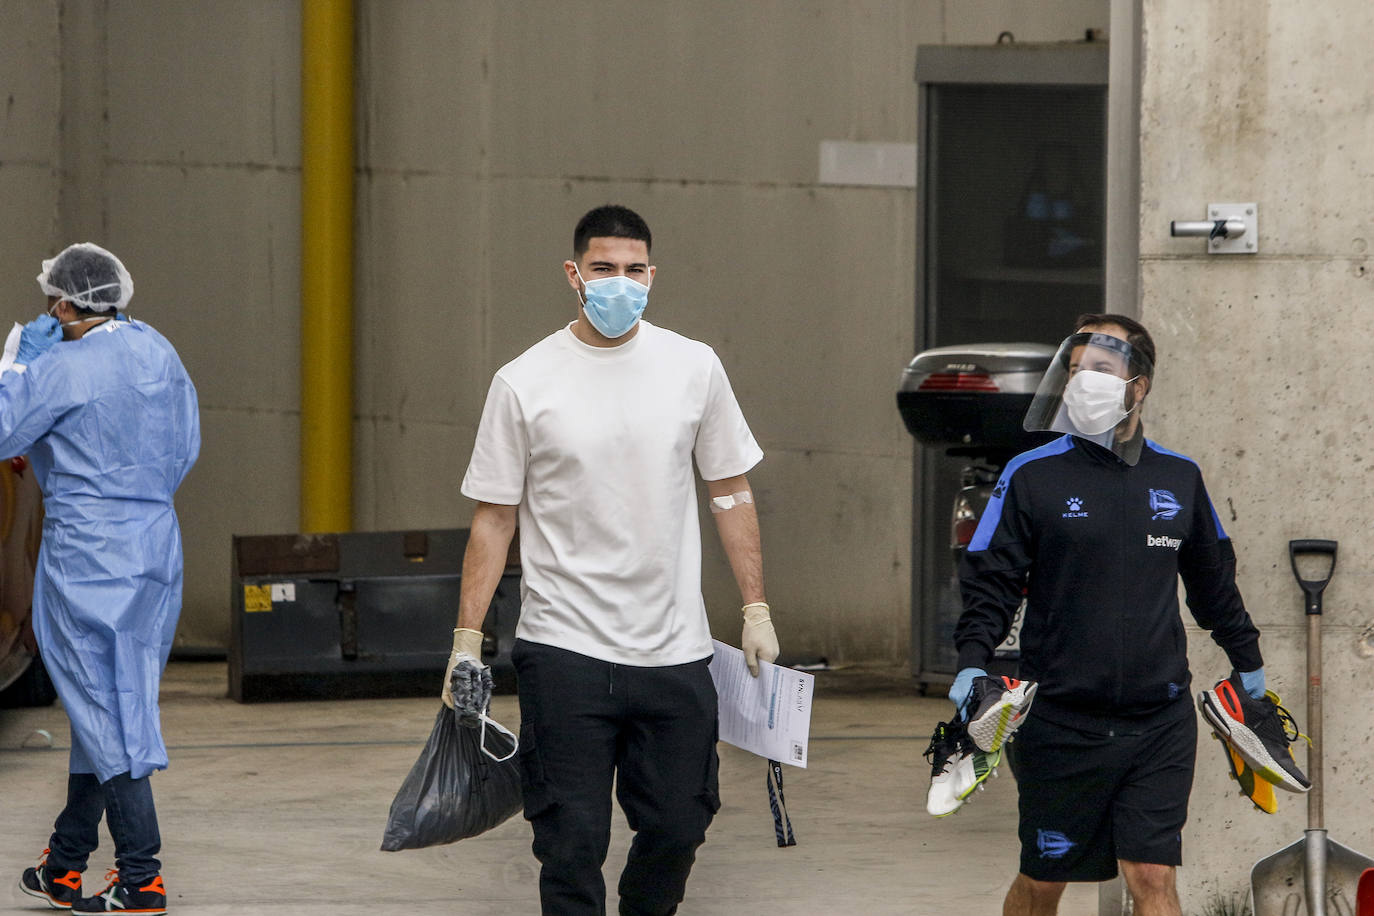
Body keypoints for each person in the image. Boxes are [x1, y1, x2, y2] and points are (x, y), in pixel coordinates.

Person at [441, 205, 777, 915]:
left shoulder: (693, 366)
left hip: (674, 650)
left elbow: (730, 489)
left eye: (632, 270)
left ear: (652, 276)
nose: (618, 282)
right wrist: (466, 639)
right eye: (603, 269)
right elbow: (494, 517)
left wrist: (755, 607)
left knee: (679, 824)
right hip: (565, 649)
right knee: (569, 840)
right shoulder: (525, 381)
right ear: (574, 274)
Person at [949, 314, 1303, 916]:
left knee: (1151, 877)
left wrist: (1251, 671)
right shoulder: (1029, 476)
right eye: (1076, 370)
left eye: (1101, 371)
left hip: (1158, 722)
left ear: (1137, 388)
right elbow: (991, 587)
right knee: (1042, 882)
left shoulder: (1179, 478)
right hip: (1059, 722)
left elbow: (1215, 589)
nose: (1081, 382)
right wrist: (969, 668)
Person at [14, 243, 200, 915]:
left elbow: (3, 432)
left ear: (65, 305)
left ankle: (140, 876)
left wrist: (16, 362)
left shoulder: (60, 366)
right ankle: (63, 864)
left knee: (110, 712)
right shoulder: (158, 351)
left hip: (88, 554)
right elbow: (186, 444)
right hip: (153, 545)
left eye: (50, 302)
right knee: (111, 700)